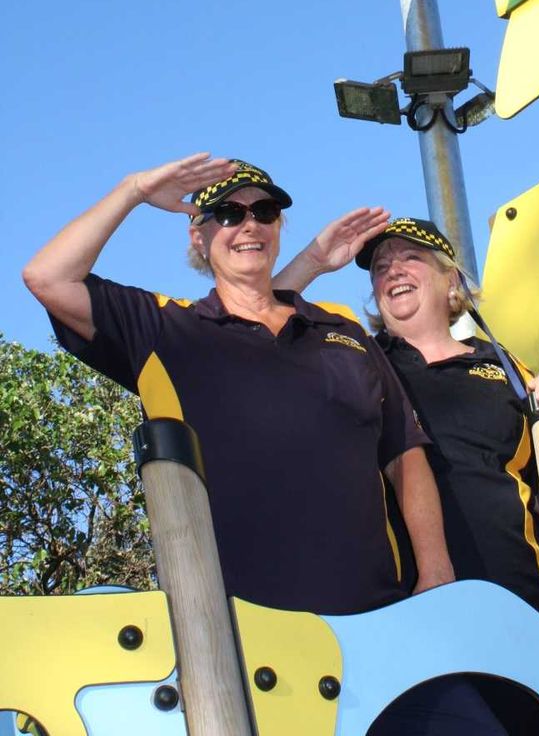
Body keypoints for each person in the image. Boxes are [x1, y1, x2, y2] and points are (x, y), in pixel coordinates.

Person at [22, 154, 454, 615]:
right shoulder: (167, 329)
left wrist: (436, 573)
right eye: (229, 214)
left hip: (381, 616)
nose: (250, 225)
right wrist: (134, 190)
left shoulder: (342, 329)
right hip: (240, 631)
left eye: (264, 212)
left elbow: (403, 452)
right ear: (199, 235)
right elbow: (46, 276)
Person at [279, 216, 539, 617]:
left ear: (450, 278)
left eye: (410, 257)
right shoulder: (356, 357)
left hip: (519, 595)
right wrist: (314, 261)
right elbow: (256, 313)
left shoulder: (508, 367)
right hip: (404, 600)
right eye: (380, 268)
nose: (393, 270)